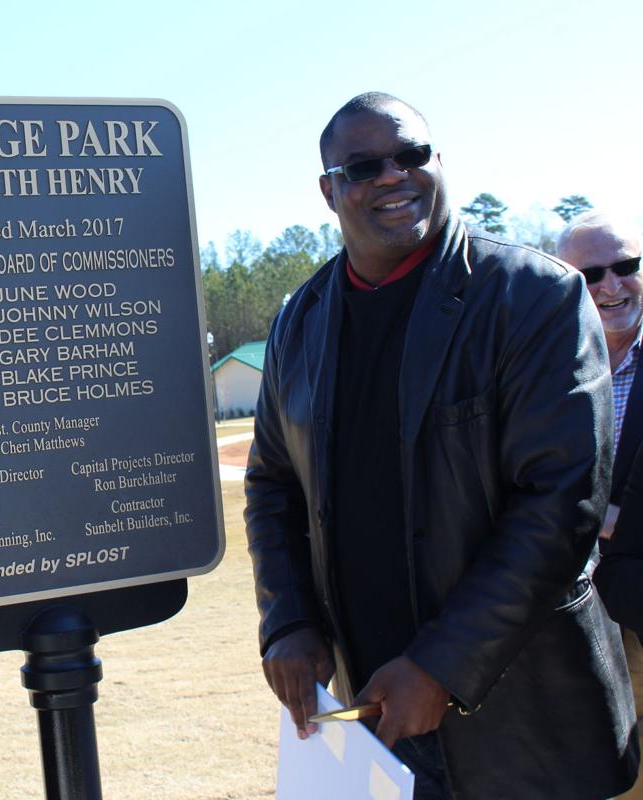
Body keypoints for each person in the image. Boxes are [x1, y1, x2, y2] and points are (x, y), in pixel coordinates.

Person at [244, 91, 637, 799]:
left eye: (412, 155)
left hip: (522, 724)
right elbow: (272, 484)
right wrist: (288, 619)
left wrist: (441, 666)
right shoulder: (298, 322)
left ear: (438, 163)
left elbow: (559, 502)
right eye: (364, 166)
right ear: (329, 191)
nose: (393, 176)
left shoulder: (535, 297)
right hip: (372, 716)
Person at [567, 213, 643, 800]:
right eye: (590, 274)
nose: (611, 286)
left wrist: (612, 520)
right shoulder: (553, 366)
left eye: (626, 267)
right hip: (565, 620)